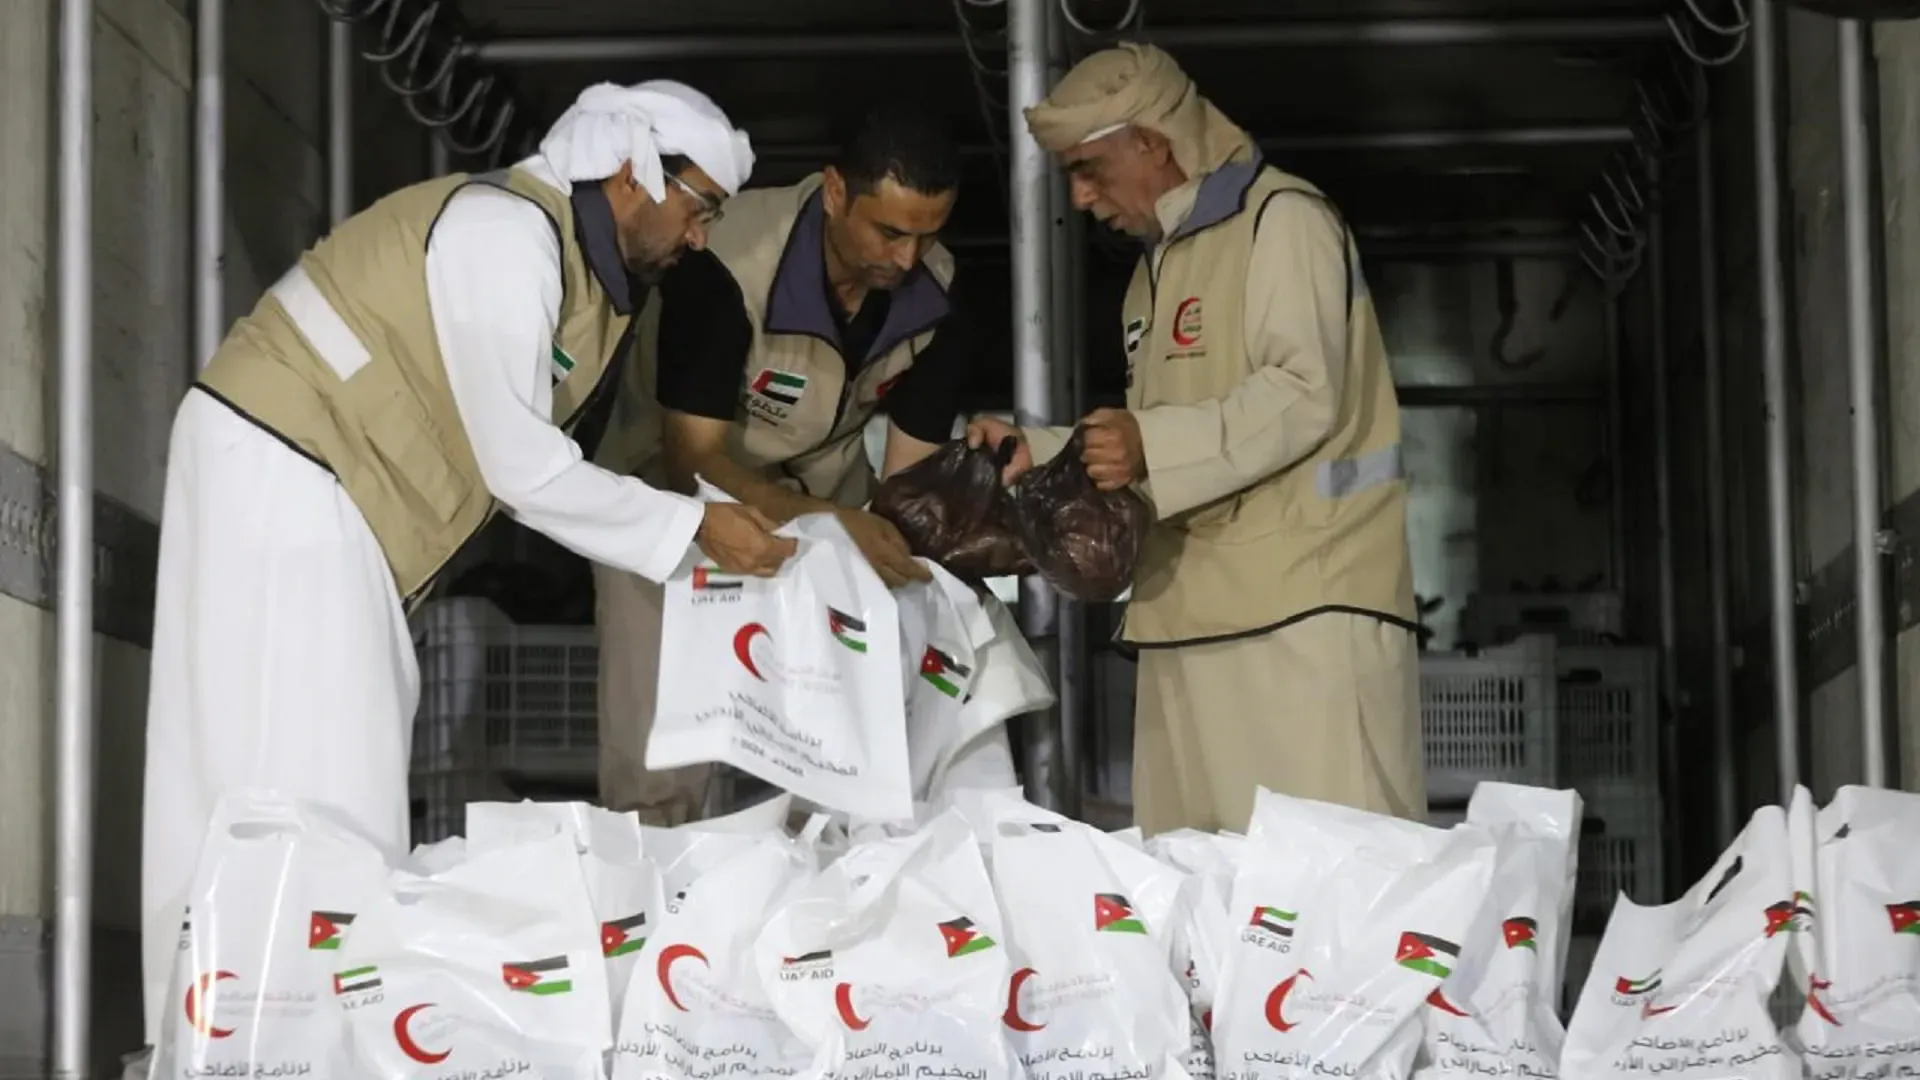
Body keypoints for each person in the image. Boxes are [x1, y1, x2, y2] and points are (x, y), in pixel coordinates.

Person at [138, 81, 794, 1044]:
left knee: (279, 776)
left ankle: (244, 1035)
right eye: (699, 207)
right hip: (289, 461)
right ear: (631, 171)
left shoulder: (574, 272)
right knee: (312, 783)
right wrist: (695, 529)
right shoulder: (505, 234)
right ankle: (271, 1036)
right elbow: (522, 467)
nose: (700, 237)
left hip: (318, 482)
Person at [968, 42, 1424, 835]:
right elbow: (1166, 435)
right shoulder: (1154, 272)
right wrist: (1038, 452)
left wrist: (1146, 442)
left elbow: (1302, 393)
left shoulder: (1284, 221)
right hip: (1184, 617)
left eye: (1089, 170)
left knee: (1324, 880)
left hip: (1301, 617)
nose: (1079, 198)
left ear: (1151, 142)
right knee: (1198, 885)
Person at [592, 101, 984, 823]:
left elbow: (910, 480)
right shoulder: (726, 262)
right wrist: (834, 523)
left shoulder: (937, 294)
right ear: (834, 192)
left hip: (820, 499)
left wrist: (937, 543)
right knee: (661, 750)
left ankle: (825, 874)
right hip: (669, 500)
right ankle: (657, 871)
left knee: (832, 749)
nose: (907, 258)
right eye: (889, 232)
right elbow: (692, 461)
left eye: (927, 234)